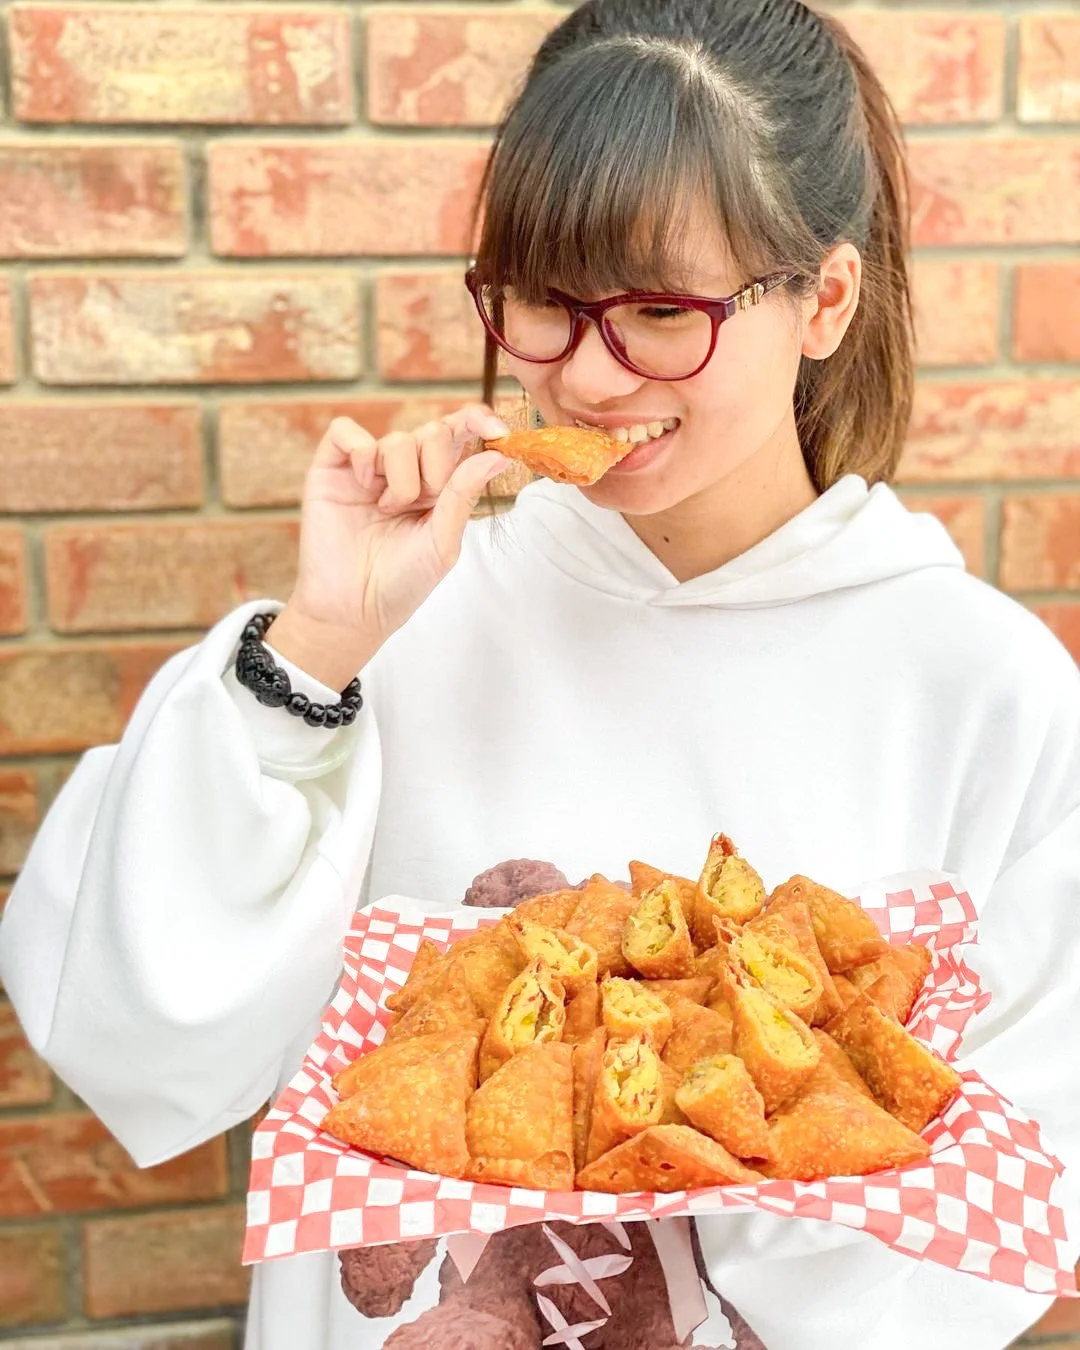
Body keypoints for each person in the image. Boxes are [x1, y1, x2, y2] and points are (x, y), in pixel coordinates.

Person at [2, 0, 1077, 1345]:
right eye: (542, 303)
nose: (586, 374)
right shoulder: (412, 618)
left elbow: (1005, 1228)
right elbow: (129, 1031)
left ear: (827, 299)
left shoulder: (986, 695)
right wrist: (319, 650)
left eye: (658, 312)